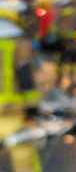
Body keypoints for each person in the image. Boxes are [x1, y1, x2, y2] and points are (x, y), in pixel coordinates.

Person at [0, 15, 43, 171]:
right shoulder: (19, 42)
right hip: (11, 110)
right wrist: (33, 107)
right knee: (23, 156)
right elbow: (25, 74)